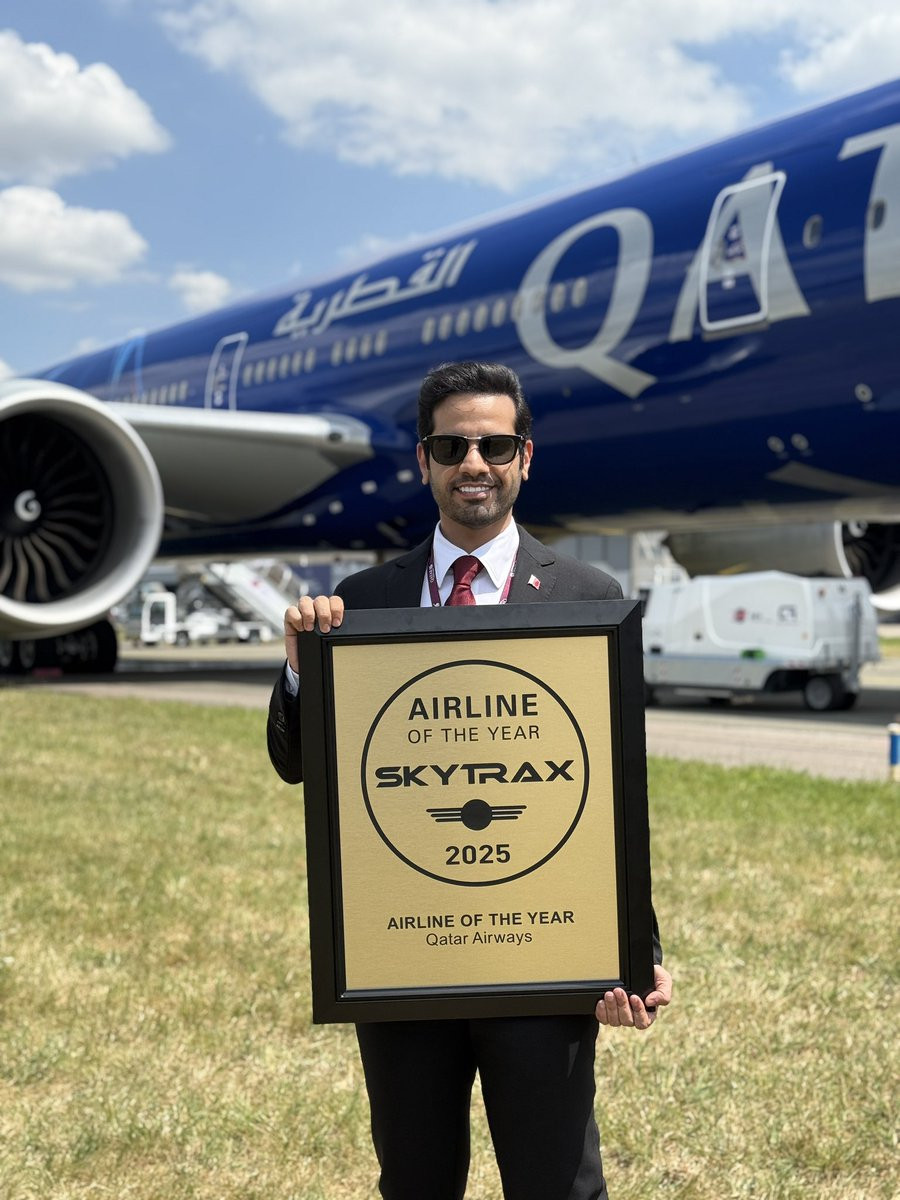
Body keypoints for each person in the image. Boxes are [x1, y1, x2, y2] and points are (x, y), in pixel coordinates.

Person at [267, 361, 673, 1200]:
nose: (474, 464)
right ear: (424, 461)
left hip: (543, 957)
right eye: (452, 447)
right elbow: (298, 765)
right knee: (415, 1181)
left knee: (558, 1183)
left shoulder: (587, 599)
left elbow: (603, 794)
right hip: (405, 960)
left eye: (495, 445)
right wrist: (304, 667)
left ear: (526, 457)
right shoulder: (362, 601)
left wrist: (638, 952)